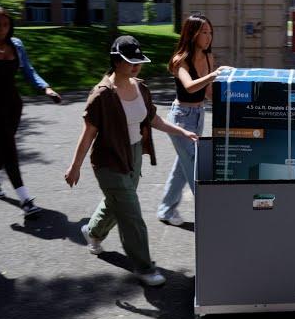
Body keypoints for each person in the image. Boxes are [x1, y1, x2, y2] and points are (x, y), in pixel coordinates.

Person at [64, 35, 199, 286]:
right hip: (109, 161)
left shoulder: (140, 87)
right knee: (132, 214)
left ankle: (92, 232)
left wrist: (181, 131)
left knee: (117, 202)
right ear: (116, 61)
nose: (136, 65)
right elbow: (88, 133)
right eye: (130, 61)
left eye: (138, 60)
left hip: (134, 155)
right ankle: (145, 267)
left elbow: (153, 120)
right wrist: (75, 166)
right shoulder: (102, 95)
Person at [0, 6, 62, 216]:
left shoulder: (16, 45)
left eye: (5, 24)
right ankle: (25, 199)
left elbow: (28, 70)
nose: (2, 29)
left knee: (4, 143)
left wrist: (46, 88)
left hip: (13, 103)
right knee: (9, 146)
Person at [156, 14, 232, 226]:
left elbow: (207, 91)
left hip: (199, 115)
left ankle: (166, 210)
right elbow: (189, 86)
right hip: (180, 118)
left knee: (182, 165)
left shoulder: (208, 58)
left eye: (210, 32)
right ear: (192, 34)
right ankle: (211, 213)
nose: (208, 37)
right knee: (194, 164)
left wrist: (229, 106)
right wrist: (214, 74)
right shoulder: (180, 60)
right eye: (204, 32)